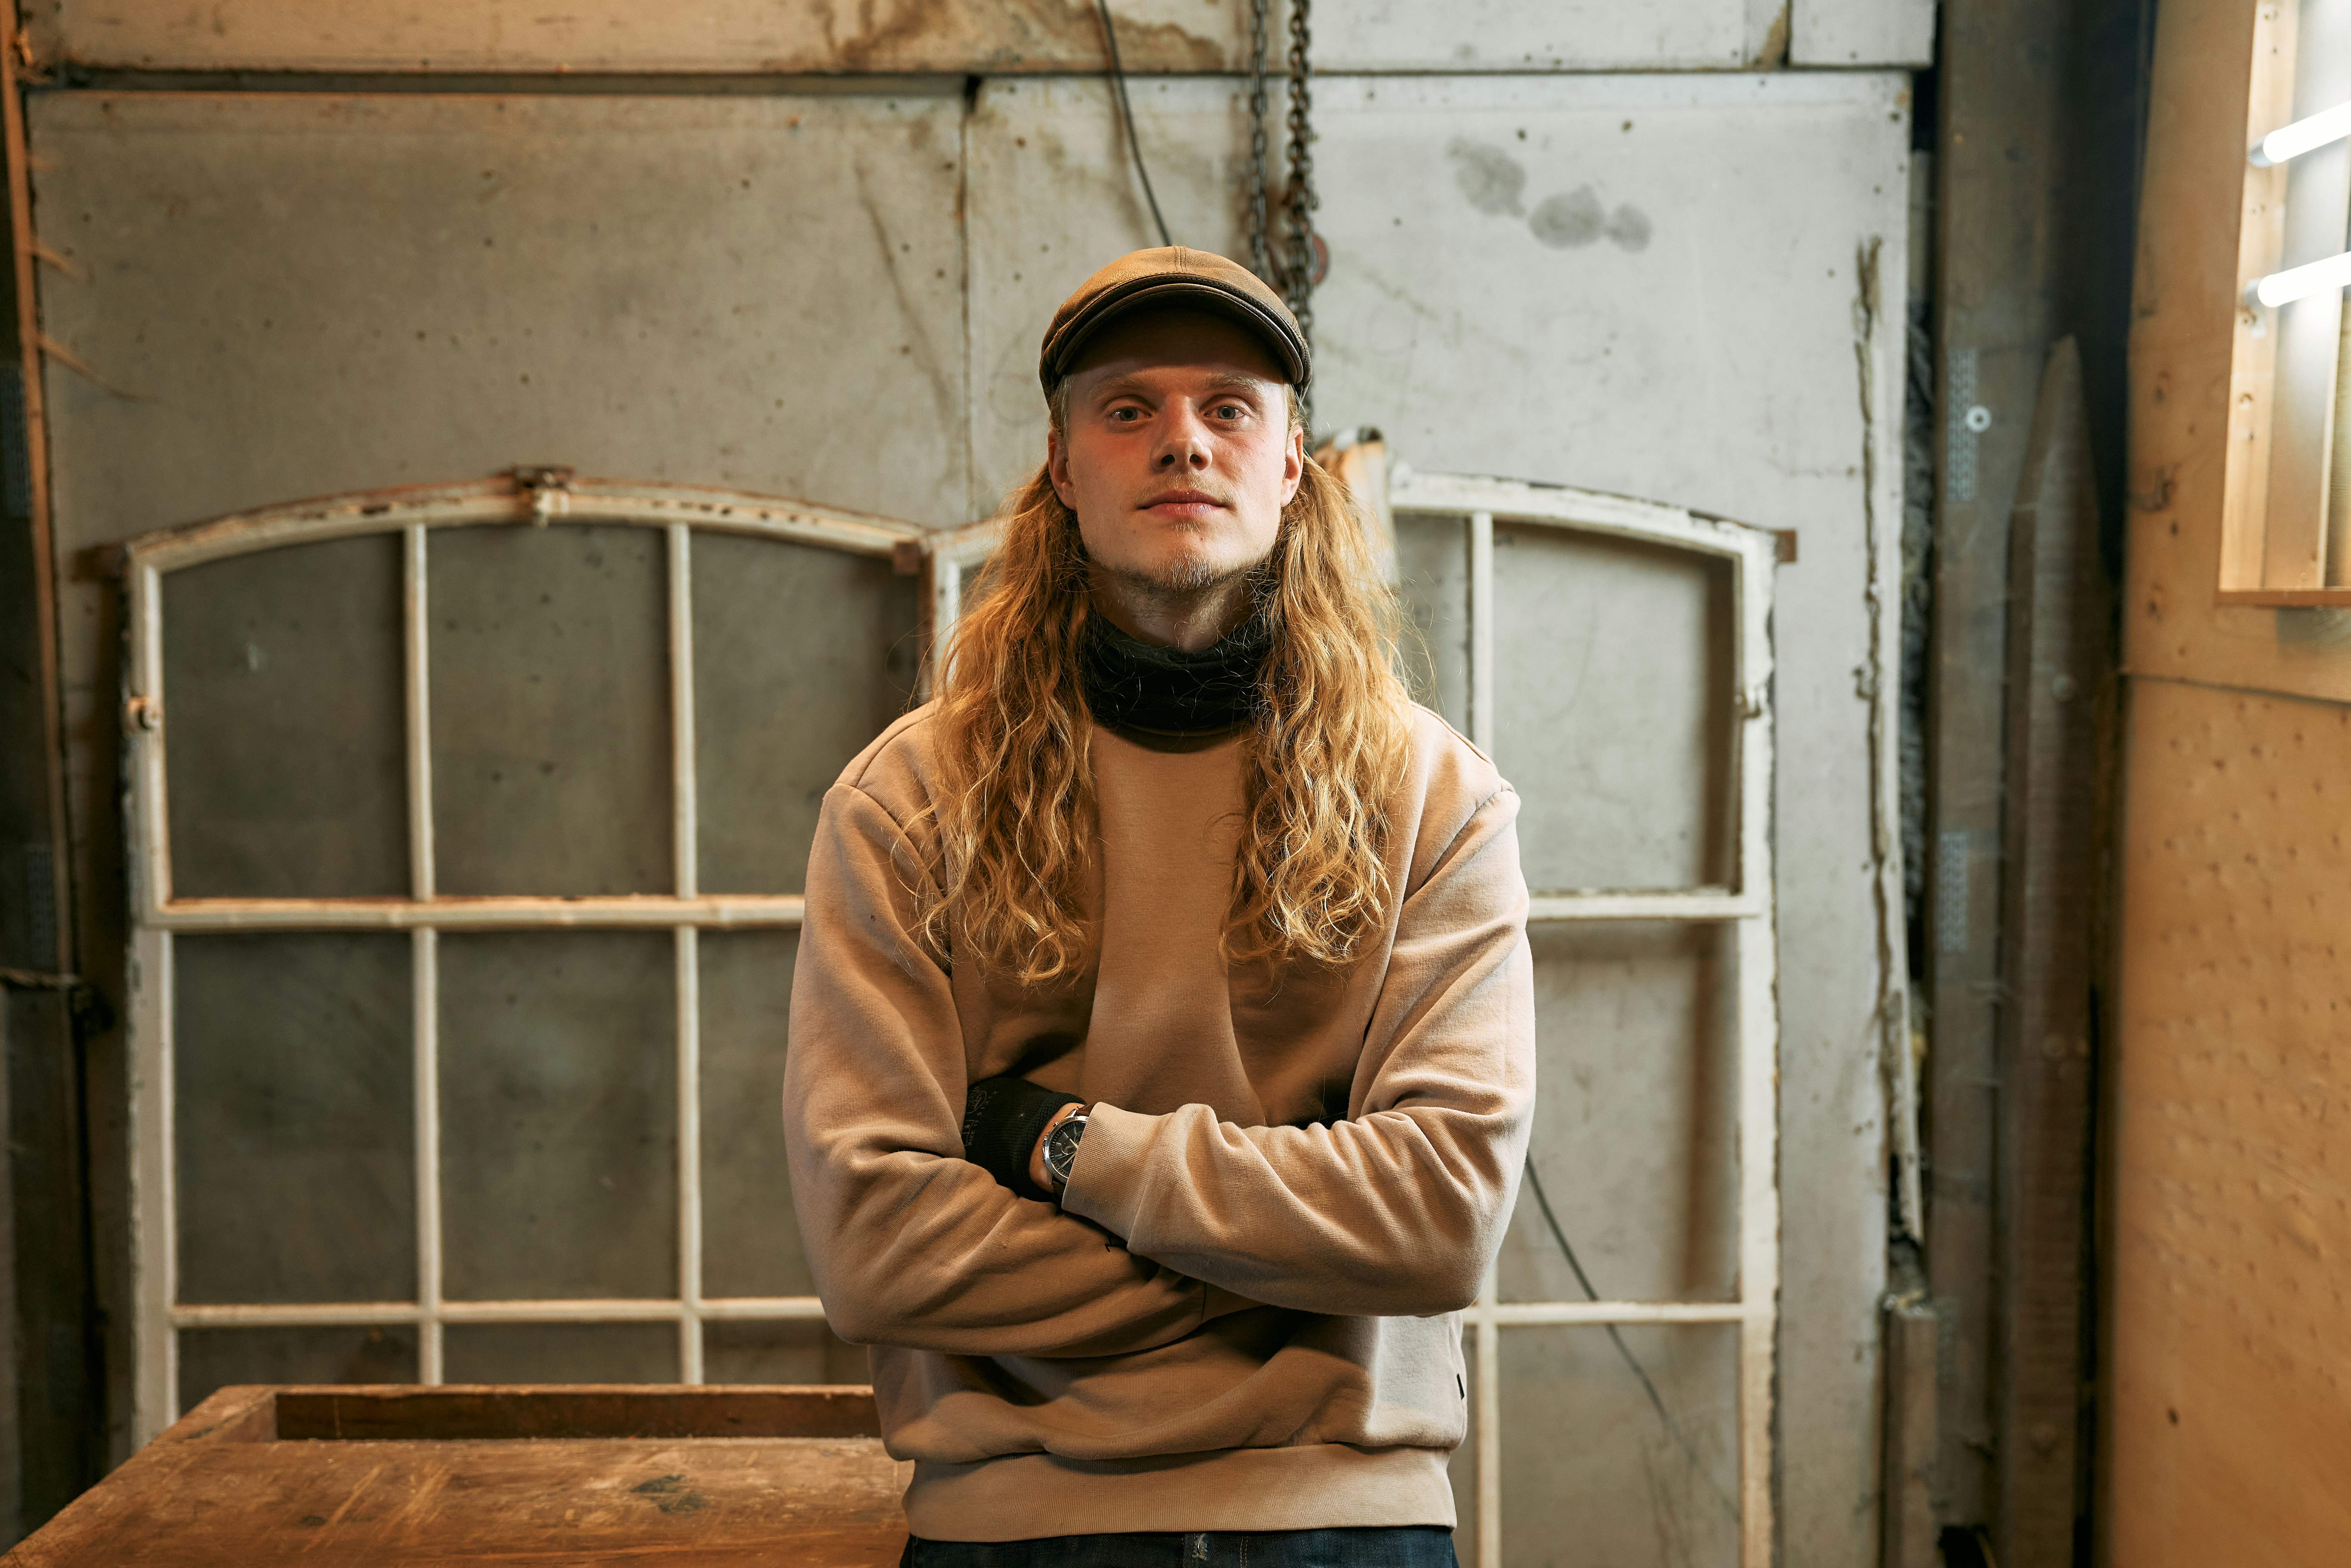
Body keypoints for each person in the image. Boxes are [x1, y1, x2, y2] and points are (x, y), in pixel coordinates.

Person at [782, 246, 1535, 1568]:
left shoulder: (1433, 796)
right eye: (1127, 408)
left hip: (1339, 1527)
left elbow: (1437, 1215)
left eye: (1225, 407)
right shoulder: (905, 798)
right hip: (1014, 1529)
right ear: (1063, 471)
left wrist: (1064, 1149)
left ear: (1291, 463)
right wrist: (1295, 1273)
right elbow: (875, 1246)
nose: (1180, 441)